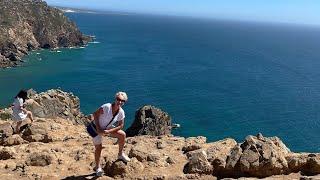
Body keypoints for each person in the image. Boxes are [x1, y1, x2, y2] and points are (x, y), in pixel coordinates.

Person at [91, 91, 130, 176]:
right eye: (118, 99)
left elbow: (121, 125)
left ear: (124, 102)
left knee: (122, 135)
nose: (119, 102)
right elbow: (95, 114)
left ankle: (120, 154)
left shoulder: (121, 112)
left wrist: (109, 131)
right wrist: (98, 128)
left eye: (122, 101)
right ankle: (98, 168)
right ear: (115, 99)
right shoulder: (106, 107)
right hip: (94, 128)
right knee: (99, 147)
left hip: (106, 129)